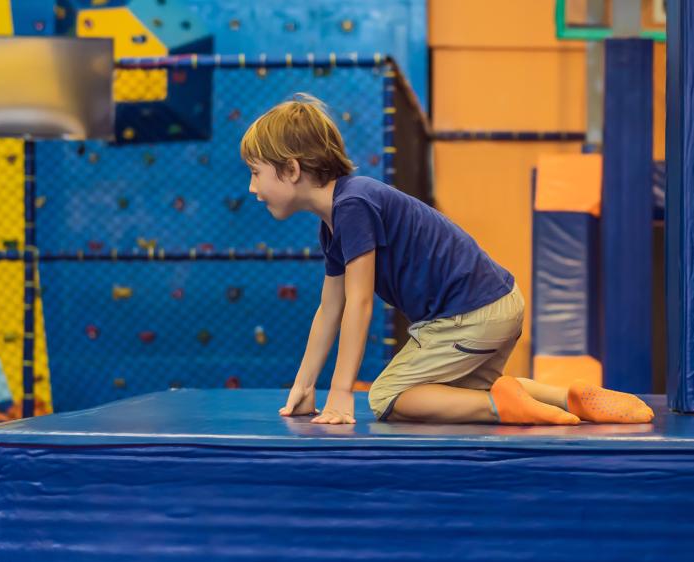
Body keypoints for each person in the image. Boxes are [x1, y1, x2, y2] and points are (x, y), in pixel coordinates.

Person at [239, 94, 653, 427]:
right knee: (460, 393)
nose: (253, 188)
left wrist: (342, 393)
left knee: (386, 396)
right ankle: (569, 398)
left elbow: (359, 304)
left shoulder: (353, 204)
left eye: (256, 173)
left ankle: (499, 409)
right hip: (493, 305)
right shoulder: (334, 223)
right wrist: (304, 386)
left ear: (291, 169)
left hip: (468, 315)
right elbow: (329, 308)